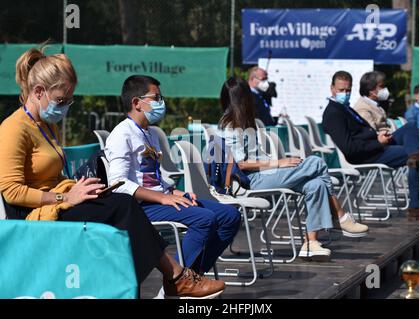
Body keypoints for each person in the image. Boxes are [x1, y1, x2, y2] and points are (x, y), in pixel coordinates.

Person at [0, 46, 225, 299]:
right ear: (39, 92)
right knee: (124, 207)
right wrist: (65, 198)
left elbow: (51, 178)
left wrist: (79, 187)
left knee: (122, 208)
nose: (65, 108)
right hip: (34, 217)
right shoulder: (13, 128)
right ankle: (173, 276)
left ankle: (145, 284)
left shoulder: (45, 125)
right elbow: (11, 192)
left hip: (56, 203)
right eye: (61, 101)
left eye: (68, 101)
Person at [104, 75, 241, 289]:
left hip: (159, 200)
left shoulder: (151, 133)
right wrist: (162, 197)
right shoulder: (121, 134)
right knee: (204, 219)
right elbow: (119, 183)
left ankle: (193, 275)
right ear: (136, 103)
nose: (161, 102)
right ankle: (177, 281)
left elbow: (153, 178)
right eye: (156, 97)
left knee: (230, 216)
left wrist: (173, 192)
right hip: (139, 207)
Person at [217, 77, 369, 261]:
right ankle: (340, 215)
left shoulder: (243, 122)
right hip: (251, 180)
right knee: (317, 163)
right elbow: (241, 164)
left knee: (315, 184)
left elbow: (255, 156)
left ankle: (310, 242)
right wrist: (277, 163)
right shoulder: (231, 125)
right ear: (245, 98)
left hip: (263, 173)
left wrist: (277, 161)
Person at [322, 71, 419, 221]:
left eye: (348, 90)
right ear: (332, 89)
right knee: (416, 154)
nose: (345, 93)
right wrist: (377, 142)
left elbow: (363, 133)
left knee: (411, 128)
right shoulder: (333, 113)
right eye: (341, 90)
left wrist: (378, 137)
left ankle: (417, 161)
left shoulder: (345, 108)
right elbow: (350, 149)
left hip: (377, 145)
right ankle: (416, 207)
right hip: (368, 155)